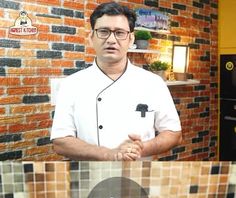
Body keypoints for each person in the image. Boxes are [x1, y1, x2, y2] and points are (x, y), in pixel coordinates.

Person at [51, 2, 182, 161]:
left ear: (131, 39)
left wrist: (139, 148)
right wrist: (110, 154)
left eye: (120, 32)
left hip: (138, 175)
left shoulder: (153, 83)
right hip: (90, 177)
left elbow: (174, 134)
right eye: (104, 31)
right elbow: (60, 142)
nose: (111, 39)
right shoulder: (71, 85)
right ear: (91, 38)